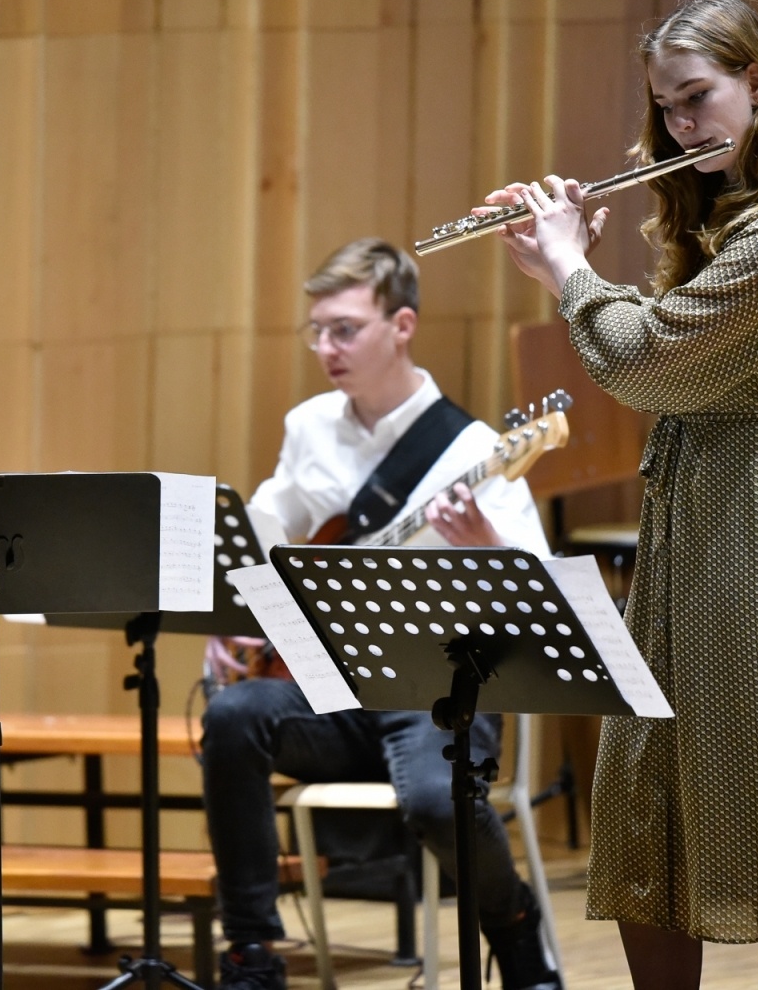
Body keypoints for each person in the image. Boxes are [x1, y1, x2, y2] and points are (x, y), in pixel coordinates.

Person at [487, 0, 758, 988]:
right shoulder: (730, 217)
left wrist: (567, 270)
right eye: (665, 109)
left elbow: (652, 361)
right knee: (649, 780)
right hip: (700, 507)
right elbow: (673, 350)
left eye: (697, 98)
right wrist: (574, 261)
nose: (681, 126)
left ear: (755, 84)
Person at [201, 238, 561, 990]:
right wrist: (236, 612)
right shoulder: (309, 428)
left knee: (436, 799)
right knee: (233, 715)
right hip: (334, 700)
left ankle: (516, 931)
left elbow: (540, 592)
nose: (326, 347)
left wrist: (486, 541)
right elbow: (261, 531)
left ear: (402, 326)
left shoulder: (474, 447)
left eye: (345, 329)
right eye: (318, 330)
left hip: (436, 698)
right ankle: (253, 952)